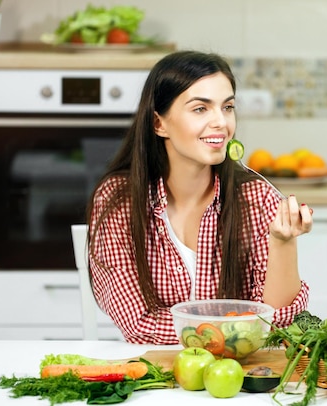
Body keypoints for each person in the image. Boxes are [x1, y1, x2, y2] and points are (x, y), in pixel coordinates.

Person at [86, 50, 313, 344]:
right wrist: (236, 331)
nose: (221, 122)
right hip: (158, 373)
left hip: (241, 377)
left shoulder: (256, 197)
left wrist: (283, 241)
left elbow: (278, 320)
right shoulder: (120, 200)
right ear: (159, 124)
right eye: (200, 109)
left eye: (227, 107)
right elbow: (138, 324)